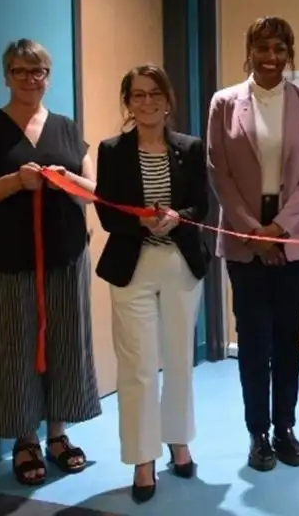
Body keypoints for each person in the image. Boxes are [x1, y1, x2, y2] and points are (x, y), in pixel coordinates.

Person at [0, 39, 100, 487]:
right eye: (20, 72)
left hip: (64, 254)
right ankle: (25, 440)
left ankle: (59, 435)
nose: (30, 80)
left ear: (48, 76)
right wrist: (15, 183)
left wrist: (64, 180)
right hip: (4, 260)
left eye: (38, 72)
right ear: (6, 76)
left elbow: (92, 189)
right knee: (11, 346)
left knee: (67, 343)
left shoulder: (66, 127)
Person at [207, 17, 299, 472]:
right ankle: (258, 433)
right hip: (244, 244)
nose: (271, 57)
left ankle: (286, 428)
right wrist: (253, 232)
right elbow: (220, 173)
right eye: (262, 48)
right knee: (253, 340)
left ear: (289, 52)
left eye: (279, 48)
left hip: (292, 241)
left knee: (287, 340)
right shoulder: (224, 103)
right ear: (250, 50)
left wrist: (279, 228)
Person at [94, 65, 208, 503]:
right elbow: (107, 212)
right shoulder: (111, 150)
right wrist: (143, 223)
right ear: (128, 103)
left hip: (180, 263)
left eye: (154, 93)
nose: (146, 102)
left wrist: (180, 218)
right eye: (137, 95)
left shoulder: (191, 148)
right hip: (131, 265)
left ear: (168, 99)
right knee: (138, 366)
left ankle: (178, 441)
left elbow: (203, 205)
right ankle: (143, 458)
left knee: (179, 360)